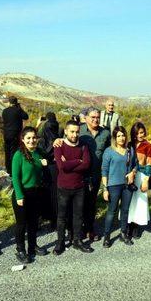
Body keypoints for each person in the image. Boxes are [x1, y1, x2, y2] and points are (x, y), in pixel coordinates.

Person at [53, 120, 93, 254]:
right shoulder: (59, 145)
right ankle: (60, 243)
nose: (75, 135)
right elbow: (61, 167)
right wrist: (77, 161)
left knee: (78, 215)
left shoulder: (83, 146)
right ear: (65, 131)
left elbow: (86, 165)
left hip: (79, 187)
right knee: (62, 216)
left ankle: (77, 241)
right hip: (63, 187)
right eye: (72, 131)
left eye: (77, 132)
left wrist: (69, 163)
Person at [11, 127, 49, 264]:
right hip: (23, 193)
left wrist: (45, 165)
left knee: (33, 223)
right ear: (23, 139)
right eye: (28, 138)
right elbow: (15, 178)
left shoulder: (39, 153)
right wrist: (19, 196)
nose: (32, 140)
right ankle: (20, 249)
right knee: (21, 224)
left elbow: (43, 169)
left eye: (34, 138)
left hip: (36, 193)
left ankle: (32, 246)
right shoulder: (18, 155)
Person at [100, 126, 137, 247]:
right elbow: (104, 171)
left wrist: (133, 172)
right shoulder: (109, 151)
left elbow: (136, 165)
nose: (121, 138)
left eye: (123, 135)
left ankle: (123, 233)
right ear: (115, 138)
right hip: (113, 186)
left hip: (127, 185)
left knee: (125, 210)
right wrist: (105, 189)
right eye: (119, 136)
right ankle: (107, 236)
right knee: (112, 211)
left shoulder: (130, 149)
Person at [78, 107, 111, 241]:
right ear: (85, 118)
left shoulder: (105, 133)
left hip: (96, 174)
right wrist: (58, 140)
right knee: (79, 203)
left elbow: (109, 151)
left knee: (91, 203)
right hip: (80, 174)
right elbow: (66, 142)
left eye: (97, 117)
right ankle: (78, 230)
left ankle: (90, 229)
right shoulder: (78, 130)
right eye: (92, 117)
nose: (95, 119)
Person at [127, 122, 151, 239]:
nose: (140, 135)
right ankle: (129, 224)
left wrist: (146, 180)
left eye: (142, 132)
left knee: (139, 202)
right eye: (137, 133)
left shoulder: (148, 146)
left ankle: (137, 226)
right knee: (129, 201)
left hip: (141, 175)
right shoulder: (129, 145)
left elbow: (150, 164)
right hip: (130, 175)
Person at [37, 112, 60, 228]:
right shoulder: (56, 130)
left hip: (46, 165)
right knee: (54, 194)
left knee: (46, 193)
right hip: (54, 165)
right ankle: (54, 220)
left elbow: (41, 150)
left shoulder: (43, 129)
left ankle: (44, 217)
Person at [2, 96, 29, 176]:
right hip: (15, 134)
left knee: (7, 152)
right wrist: (20, 108)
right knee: (14, 152)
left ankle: (8, 169)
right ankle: (13, 170)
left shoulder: (5, 111)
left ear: (9, 102)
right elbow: (26, 117)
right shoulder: (18, 110)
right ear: (16, 102)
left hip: (6, 134)